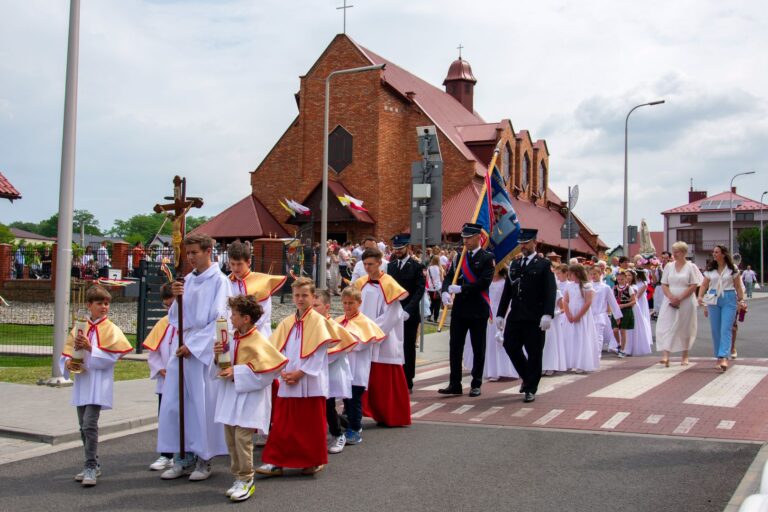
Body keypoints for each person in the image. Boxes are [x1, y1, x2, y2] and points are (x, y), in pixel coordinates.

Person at [158, 233, 232, 482]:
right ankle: (182, 457)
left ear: (208, 251)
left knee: (201, 405)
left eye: (194, 253)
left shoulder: (220, 281)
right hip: (183, 347)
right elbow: (175, 319)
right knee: (175, 404)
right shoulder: (186, 280)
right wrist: (178, 298)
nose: (190, 258)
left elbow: (220, 319)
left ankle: (204, 458)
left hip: (201, 351)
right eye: (187, 253)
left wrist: (194, 346)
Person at [257, 277, 338, 477]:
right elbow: (278, 349)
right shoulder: (287, 322)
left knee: (310, 426)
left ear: (313, 297)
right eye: (297, 295)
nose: (300, 299)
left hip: (310, 382)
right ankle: (275, 461)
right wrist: (282, 371)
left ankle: (312, 461)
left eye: (304, 295)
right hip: (288, 380)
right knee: (283, 424)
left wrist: (301, 373)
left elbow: (319, 353)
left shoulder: (319, 321)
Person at [213, 295, 287, 502]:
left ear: (246, 318)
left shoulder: (258, 341)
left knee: (242, 439)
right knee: (230, 438)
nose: (231, 317)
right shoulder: (230, 336)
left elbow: (268, 372)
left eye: (234, 314)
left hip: (249, 398)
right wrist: (217, 356)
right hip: (230, 396)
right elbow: (221, 365)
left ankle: (247, 479)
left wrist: (237, 372)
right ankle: (238, 476)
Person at [60, 284, 133, 487]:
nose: (104, 307)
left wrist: (91, 348)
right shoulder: (79, 327)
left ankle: (90, 465)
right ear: (89, 305)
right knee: (82, 427)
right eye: (100, 303)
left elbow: (112, 357)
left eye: (107, 303)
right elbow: (67, 352)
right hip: (82, 382)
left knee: (90, 424)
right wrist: (66, 362)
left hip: (98, 383)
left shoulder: (110, 329)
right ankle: (94, 464)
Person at [496, 228, 557, 403]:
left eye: (526, 243)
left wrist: (547, 314)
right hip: (515, 315)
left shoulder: (544, 264)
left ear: (534, 243)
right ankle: (527, 377)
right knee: (510, 346)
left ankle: (531, 388)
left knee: (534, 353)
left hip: (535, 316)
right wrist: (501, 313)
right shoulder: (514, 264)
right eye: (521, 243)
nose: (523, 246)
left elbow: (550, 291)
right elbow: (507, 291)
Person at [355, 248, 412, 426]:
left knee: (386, 381)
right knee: (366, 377)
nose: (367, 268)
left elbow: (392, 314)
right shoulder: (361, 283)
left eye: (370, 264)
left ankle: (393, 415)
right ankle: (368, 411)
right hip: (365, 336)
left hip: (385, 338)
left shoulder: (389, 284)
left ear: (380, 263)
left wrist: (372, 331)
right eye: (365, 264)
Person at [439, 223, 495, 397]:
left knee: (478, 347)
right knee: (455, 347)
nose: (465, 241)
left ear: (479, 237)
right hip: (460, 310)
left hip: (478, 309)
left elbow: (484, 282)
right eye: (464, 237)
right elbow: (449, 277)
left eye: (469, 237)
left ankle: (476, 383)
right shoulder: (458, 258)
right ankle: (454, 383)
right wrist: (445, 291)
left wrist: (462, 289)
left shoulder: (487, 258)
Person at [337, 287, 385, 445]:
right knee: (346, 400)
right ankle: (349, 424)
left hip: (357, 369)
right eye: (345, 303)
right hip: (343, 368)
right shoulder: (339, 321)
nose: (347, 306)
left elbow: (362, 344)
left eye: (351, 303)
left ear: (359, 303)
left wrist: (345, 343)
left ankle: (356, 429)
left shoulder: (365, 322)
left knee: (354, 400)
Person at [312, 289, 358, 454]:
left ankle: (338, 434)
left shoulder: (333, 326)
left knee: (328, 404)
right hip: (314, 372)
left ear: (327, 307)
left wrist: (315, 359)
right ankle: (341, 424)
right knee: (319, 405)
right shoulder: (311, 324)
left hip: (330, 372)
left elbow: (337, 351)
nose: (312, 309)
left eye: (316, 305)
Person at [142, 283, 177, 472]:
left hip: (182, 380)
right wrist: (160, 369)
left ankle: (185, 453)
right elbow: (153, 353)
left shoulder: (188, 322)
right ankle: (166, 454)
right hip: (165, 381)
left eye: (172, 304)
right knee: (164, 417)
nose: (169, 309)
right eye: (166, 306)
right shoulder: (162, 323)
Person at [697, 245, 747, 372]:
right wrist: (700, 296)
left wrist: (741, 300)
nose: (714, 254)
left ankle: (724, 356)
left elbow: (738, 287)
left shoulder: (732, 268)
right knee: (715, 329)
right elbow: (704, 285)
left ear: (724, 254)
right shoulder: (710, 269)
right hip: (713, 298)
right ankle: (718, 356)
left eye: (717, 252)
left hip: (729, 297)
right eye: (713, 252)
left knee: (726, 328)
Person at [386, 234, 425, 392]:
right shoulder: (391, 266)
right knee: (394, 347)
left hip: (409, 313)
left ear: (407, 247)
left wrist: (408, 310)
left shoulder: (417, 267)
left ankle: (408, 380)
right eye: (395, 249)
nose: (397, 251)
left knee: (408, 347)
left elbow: (419, 290)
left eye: (400, 248)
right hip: (394, 313)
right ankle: (396, 378)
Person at [656, 241, 703, 366]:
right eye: (673, 251)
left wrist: (680, 297)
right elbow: (664, 283)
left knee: (685, 327)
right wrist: (671, 296)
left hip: (686, 300)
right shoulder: (669, 267)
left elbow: (694, 284)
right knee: (666, 325)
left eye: (676, 252)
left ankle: (685, 355)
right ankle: (666, 355)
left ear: (683, 253)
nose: (674, 254)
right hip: (670, 299)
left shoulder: (691, 267)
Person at [227, 241, 286, 338]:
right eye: (232, 264)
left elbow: (262, 314)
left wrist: (244, 331)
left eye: (239, 264)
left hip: (257, 334)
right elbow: (226, 311)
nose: (235, 268)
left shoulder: (260, 282)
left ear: (249, 262)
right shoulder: (226, 281)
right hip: (232, 334)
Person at [562, 264, 599, 372]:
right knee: (569, 338)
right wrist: (568, 314)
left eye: (571, 274)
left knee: (581, 338)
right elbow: (565, 300)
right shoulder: (569, 286)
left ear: (577, 273)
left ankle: (581, 364)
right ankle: (569, 362)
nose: (569, 276)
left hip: (582, 315)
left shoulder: (587, 286)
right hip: (570, 313)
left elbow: (588, 302)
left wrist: (578, 316)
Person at [589, 266, 622, 354]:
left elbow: (612, 302)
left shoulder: (605, 287)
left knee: (598, 335)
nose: (593, 276)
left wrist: (617, 315)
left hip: (600, 314)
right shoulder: (588, 286)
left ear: (600, 274)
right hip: (589, 315)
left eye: (595, 274)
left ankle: (597, 355)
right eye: (591, 274)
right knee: (590, 336)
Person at [624, 270, 653, 356]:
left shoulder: (636, 286)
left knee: (633, 326)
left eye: (629, 275)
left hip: (633, 305)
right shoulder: (624, 286)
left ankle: (630, 347)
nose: (627, 277)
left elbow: (635, 297)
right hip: (626, 305)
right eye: (626, 275)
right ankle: (624, 346)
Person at [611, 271, 636, 358]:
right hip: (616, 310)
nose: (620, 280)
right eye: (618, 279)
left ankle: (622, 350)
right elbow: (611, 299)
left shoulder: (629, 288)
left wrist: (623, 305)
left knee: (623, 330)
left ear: (626, 279)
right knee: (615, 329)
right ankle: (618, 344)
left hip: (626, 310)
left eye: (622, 279)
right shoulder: (614, 288)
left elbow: (634, 301)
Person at [426, 255, 444, 323]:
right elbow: (442, 279)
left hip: (430, 288)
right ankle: (435, 319)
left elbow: (427, 278)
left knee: (432, 303)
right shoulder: (440, 268)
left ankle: (429, 316)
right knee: (437, 304)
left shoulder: (429, 268)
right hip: (438, 288)